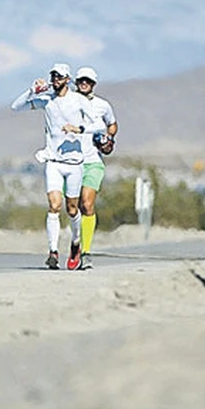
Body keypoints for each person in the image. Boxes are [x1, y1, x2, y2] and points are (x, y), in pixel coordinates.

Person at [11, 63, 101, 270]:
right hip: (53, 161)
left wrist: (80, 128)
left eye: (59, 77)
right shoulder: (47, 101)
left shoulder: (78, 100)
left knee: (72, 208)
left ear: (68, 79)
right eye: (53, 76)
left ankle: (76, 242)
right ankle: (53, 252)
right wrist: (31, 91)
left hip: (75, 163)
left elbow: (99, 124)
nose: (55, 80)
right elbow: (16, 107)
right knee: (54, 205)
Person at [73, 66, 118, 270]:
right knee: (72, 207)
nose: (84, 84)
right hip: (70, 161)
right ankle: (75, 241)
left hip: (93, 162)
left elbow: (113, 124)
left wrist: (109, 140)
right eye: (81, 80)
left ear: (93, 84)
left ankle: (86, 252)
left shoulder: (103, 105)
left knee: (87, 205)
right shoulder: (67, 103)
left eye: (88, 81)